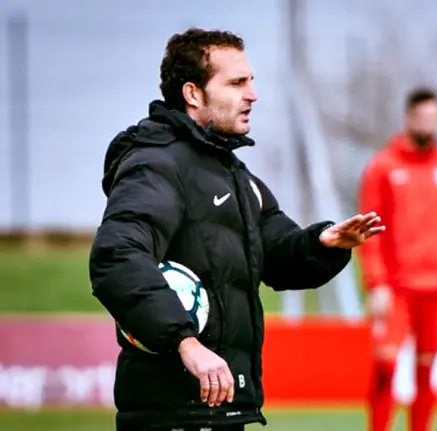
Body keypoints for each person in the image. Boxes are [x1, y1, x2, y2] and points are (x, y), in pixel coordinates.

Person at [89, 28, 384, 431]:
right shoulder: (156, 165)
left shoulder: (236, 176)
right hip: (172, 413)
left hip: (225, 405)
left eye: (252, 81)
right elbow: (117, 257)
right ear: (193, 94)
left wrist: (322, 243)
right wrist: (185, 343)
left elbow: (277, 254)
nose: (253, 94)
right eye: (237, 83)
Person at [358, 88, 437, 431]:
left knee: (428, 370)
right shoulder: (382, 167)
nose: (430, 124)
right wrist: (376, 282)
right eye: (423, 117)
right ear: (408, 117)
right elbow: (369, 231)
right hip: (395, 288)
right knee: (387, 366)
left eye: (435, 118)